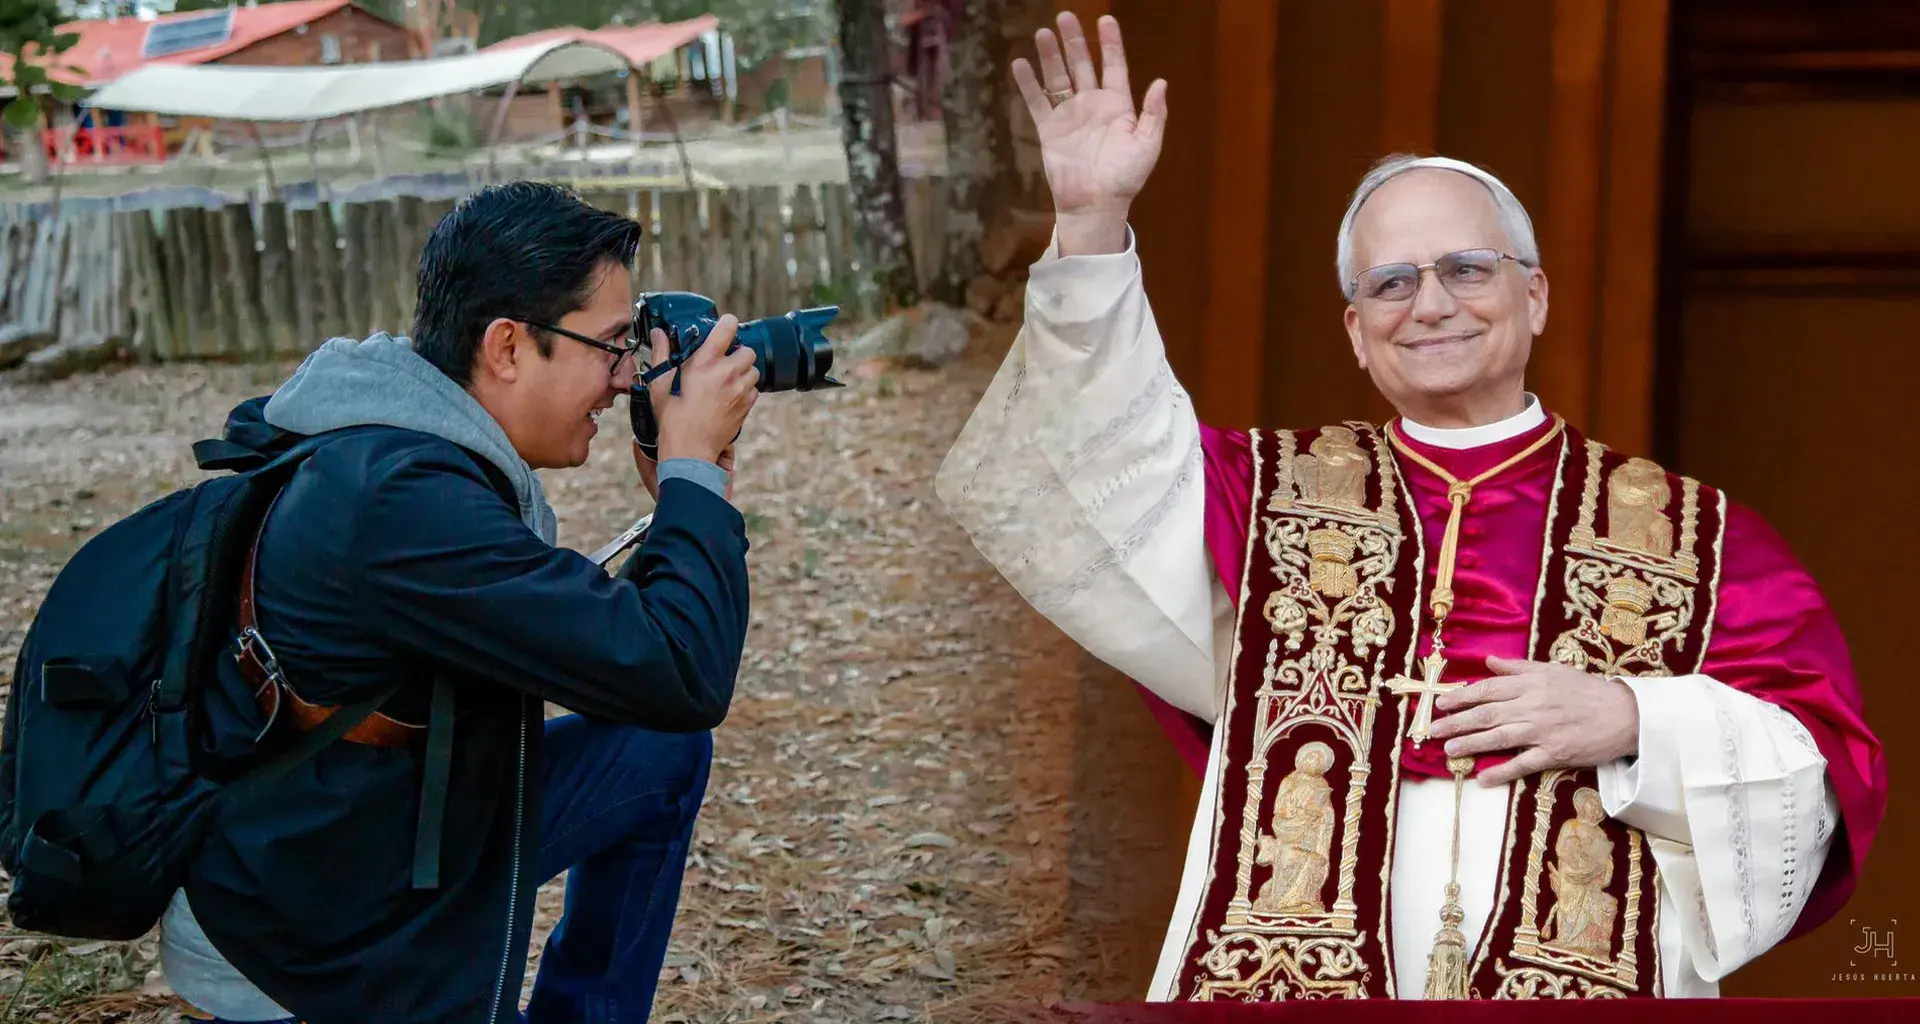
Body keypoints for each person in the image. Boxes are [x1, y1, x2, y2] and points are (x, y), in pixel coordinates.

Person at [935, 13, 1888, 1000]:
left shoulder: (1697, 539)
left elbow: (1824, 771)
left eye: (1467, 269)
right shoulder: (1259, 499)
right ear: (1355, 330)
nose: (1430, 304)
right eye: (1391, 282)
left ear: (1538, 297)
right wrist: (1089, 227)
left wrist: (1635, 715)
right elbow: (1100, 453)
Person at [158, 181, 762, 1023]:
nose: (630, 380)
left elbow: (627, 668)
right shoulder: (403, 504)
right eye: (613, 346)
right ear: (509, 347)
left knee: (657, 752)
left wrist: (682, 504)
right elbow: (683, 670)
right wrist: (694, 470)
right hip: (314, 937)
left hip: (379, 824)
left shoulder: (415, 452)